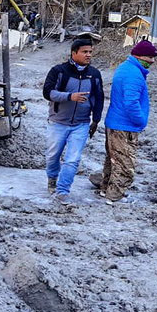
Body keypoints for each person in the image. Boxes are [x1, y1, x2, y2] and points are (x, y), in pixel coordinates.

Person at [42, 38, 104, 204]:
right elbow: (48, 93)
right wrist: (70, 97)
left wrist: (96, 120)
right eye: (85, 52)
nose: (88, 55)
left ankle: (62, 191)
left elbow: (99, 98)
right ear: (74, 53)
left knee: (72, 160)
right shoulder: (59, 71)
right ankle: (52, 178)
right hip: (58, 123)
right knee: (52, 157)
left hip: (81, 124)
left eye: (90, 52)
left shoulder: (94, 74)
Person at [98, 40, 157, 204]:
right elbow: (131, 103)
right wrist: (141, 121)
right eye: (150, 57)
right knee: (125, 165)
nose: (152, 61)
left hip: (115, 123)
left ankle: (105, 189)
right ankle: (114, 197)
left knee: (112, 160)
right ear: (140, 56)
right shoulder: (134, 74)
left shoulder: (125, 67)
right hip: (125, 126)